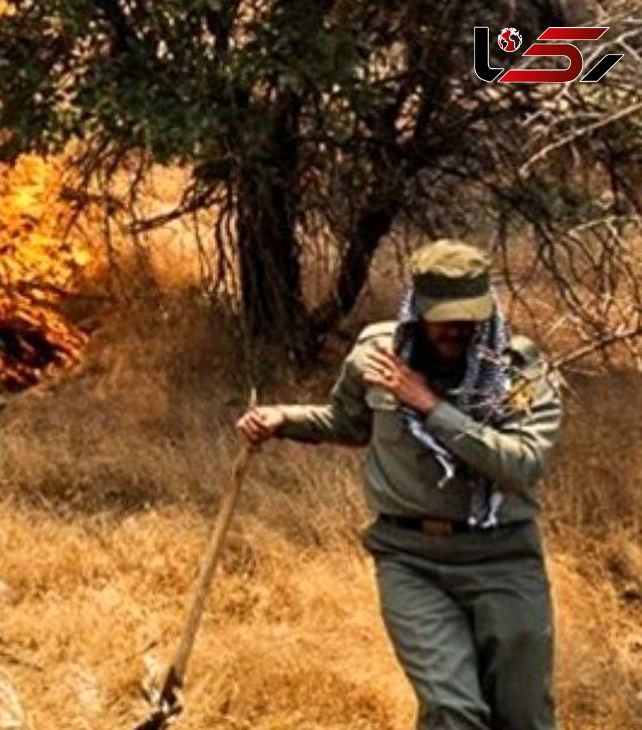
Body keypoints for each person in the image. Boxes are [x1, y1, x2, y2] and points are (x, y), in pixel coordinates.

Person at [235, 239, 565, 730]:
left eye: (469, 316)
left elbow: (521, 466)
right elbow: (347, 422)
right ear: (416, 311)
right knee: (454, 712)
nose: (457, 328)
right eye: (443, 317)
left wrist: (431, 406)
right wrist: (283, 418)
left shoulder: (519, 373)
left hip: (503, 558)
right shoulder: (377, 358)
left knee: (523, 718)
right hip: (411, 559)